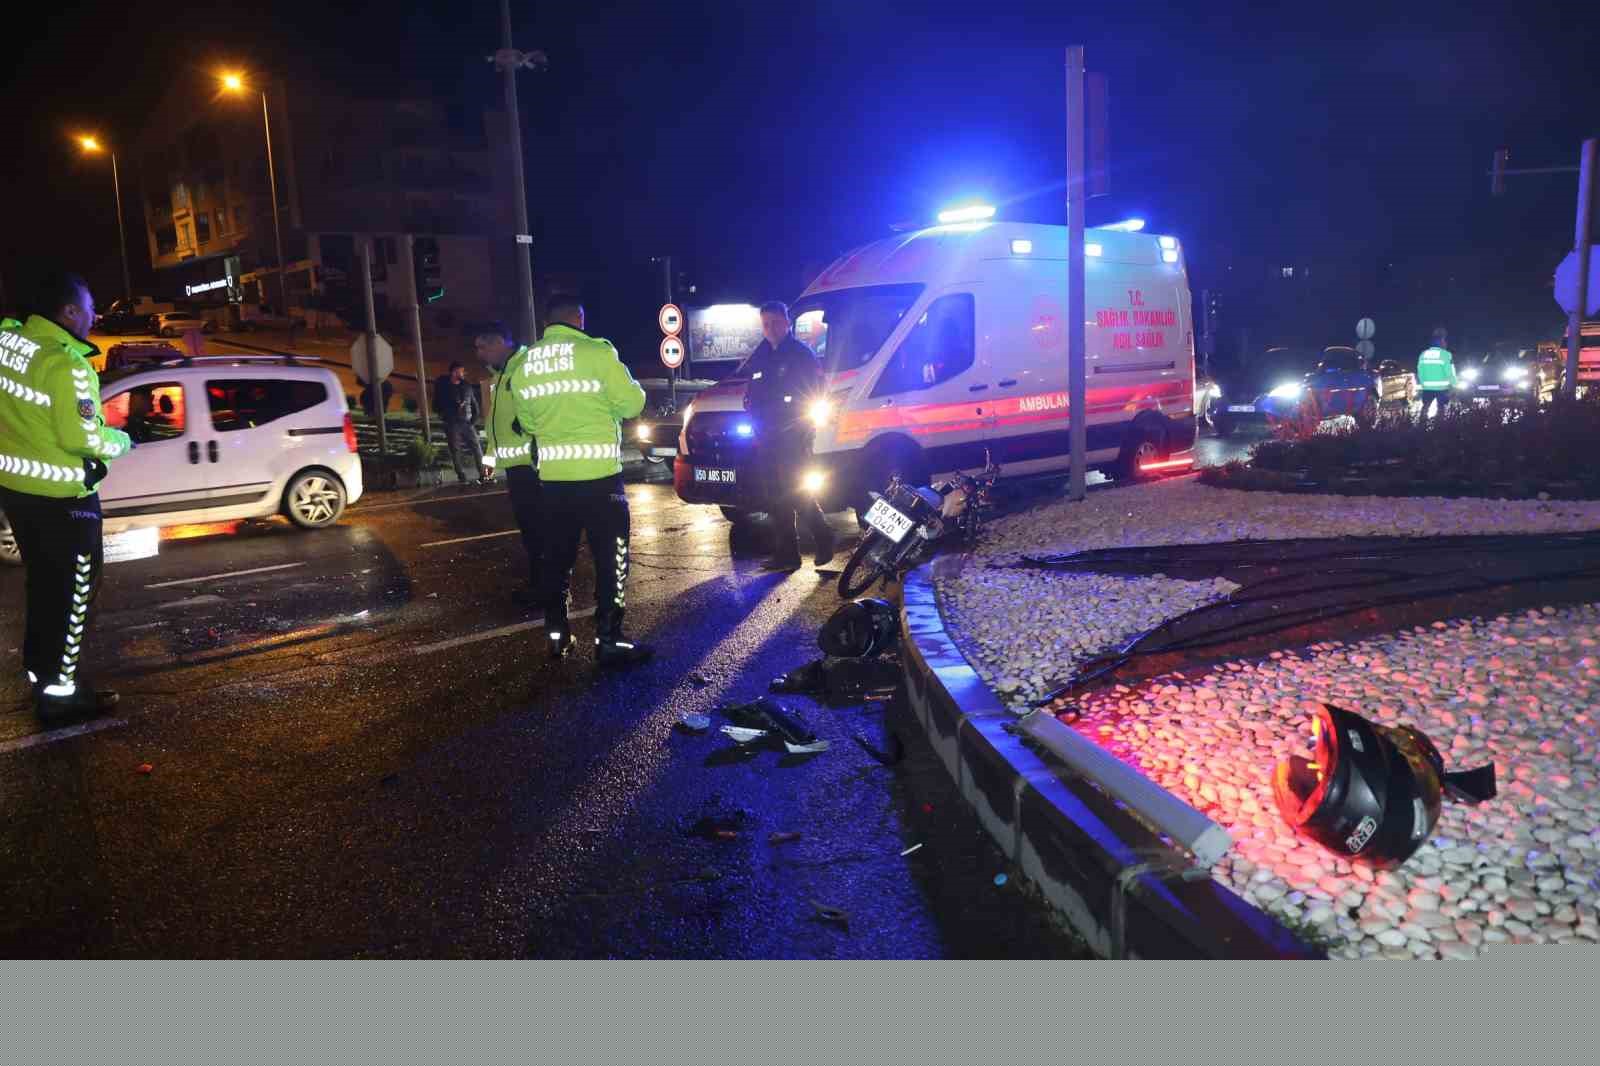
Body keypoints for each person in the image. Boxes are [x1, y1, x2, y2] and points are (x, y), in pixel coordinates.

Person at [0, 272, 132, 721]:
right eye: (90, 307)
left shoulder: (9, 341)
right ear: (69, 311)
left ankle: (40, 674)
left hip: (18, 492)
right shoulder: (66, 364)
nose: (94, 316)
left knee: (43, 588)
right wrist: (122, 440)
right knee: (74, 595)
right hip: (64, 500)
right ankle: (61, 694)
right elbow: (83, 439)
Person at [509, 296, 651, 667]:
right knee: (611, 559)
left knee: (556, 561)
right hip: (601, 482)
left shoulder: (525, 364)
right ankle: (609, 639)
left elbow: (529, 423)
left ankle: (557, 637)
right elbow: (632, 404)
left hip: (554, 485)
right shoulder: (597, 352)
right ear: (578, 318)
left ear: (547, 322)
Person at [742, 300, 835, 571]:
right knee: (774, 495)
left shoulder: (801, 354)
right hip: (766, 435)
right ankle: (787, 554)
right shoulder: (761, 354)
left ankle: (824, 535)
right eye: (765, 324)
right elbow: (752, 389)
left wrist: (803, 428)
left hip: (793, 436)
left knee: (795, 492)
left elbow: (816, 393)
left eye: (775, 322)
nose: (770, 328)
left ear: (787, 323)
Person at [476, 322, 542, 607]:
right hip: (516, 467)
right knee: (530, 531)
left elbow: (541, 409)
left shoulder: (526, 366)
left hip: (531, 467)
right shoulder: (500, 375)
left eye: (483, 346)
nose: (479, 353)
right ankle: (542, 585)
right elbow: (495, 424)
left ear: (500, 342)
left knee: (538, 531)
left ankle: (546, 589)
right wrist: (490, 458)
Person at [434, 361, 485, 486]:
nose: (463, 373)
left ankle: (483, 474)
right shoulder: (444, 387)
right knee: (455, 451)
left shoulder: (467, 386)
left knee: (476, 448)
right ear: (454, 372)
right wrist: (444, 416)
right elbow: (436, 403)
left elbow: (474, 404)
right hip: (452, 423)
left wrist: (473, 421)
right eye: (461, 371)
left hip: (466, 423)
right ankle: (462, 477)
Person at [1417, 327, 1456, 419]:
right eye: (1444, 342)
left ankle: (1421, 423)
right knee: (1441, 408)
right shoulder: (1446, 355)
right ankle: (1439, 424)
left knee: (1425, 407)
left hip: (1427, 387)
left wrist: (1423, 384)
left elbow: (1420, 371)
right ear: (1442, 344)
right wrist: (1454, 385)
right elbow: (1450, 372)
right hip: (1441, 388)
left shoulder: (1423, 354)